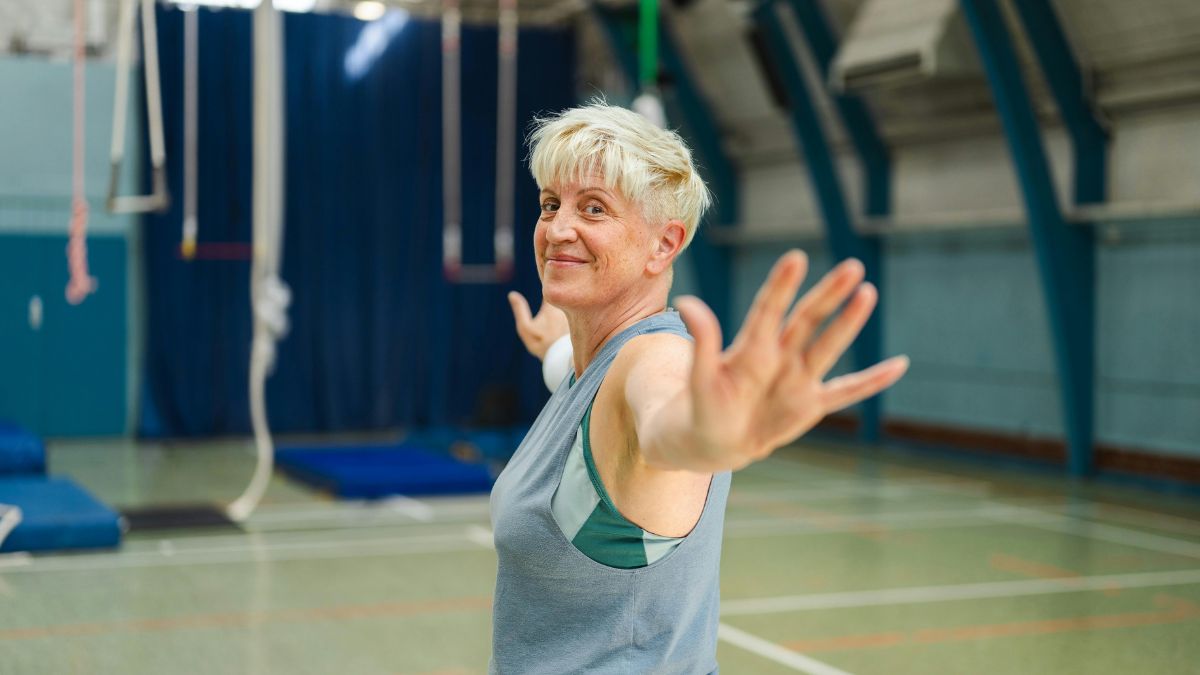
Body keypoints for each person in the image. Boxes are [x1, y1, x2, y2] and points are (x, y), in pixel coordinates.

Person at [493, 101, 908, 674]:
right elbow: (572, 371)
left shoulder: (656, 361)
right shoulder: (588, 366)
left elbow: (666, 422)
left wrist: (712, 439)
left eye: (594, 208)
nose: (559, 228)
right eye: (550, 204)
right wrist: (555, 343)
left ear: (664, 245)